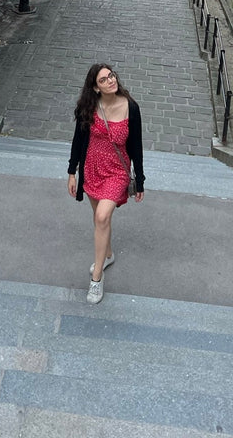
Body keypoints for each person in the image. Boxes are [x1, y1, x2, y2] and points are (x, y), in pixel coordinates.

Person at [67, 64, 145, 304]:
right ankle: (108, 254)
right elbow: (78, 139)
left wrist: (140, 180)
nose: (111, 80)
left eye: (111, 75)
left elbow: (136, 146)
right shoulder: (89, 107)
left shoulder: (130, 107)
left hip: (116, 171)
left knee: (102, 216)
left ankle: (97, 278)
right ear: (95, 87)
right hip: (92, 168)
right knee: (99, 217)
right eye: (103, 79)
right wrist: (72, 172)